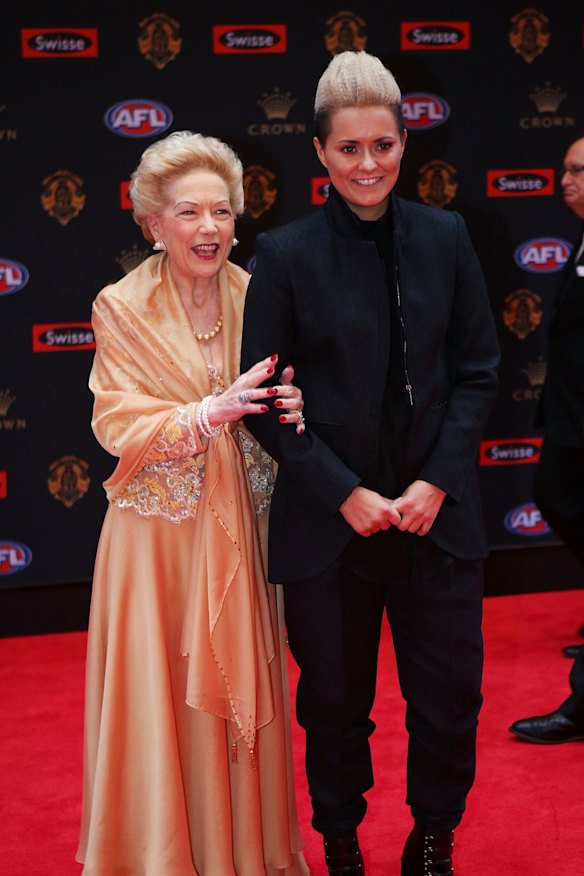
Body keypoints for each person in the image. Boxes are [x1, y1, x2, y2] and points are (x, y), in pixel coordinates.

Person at [240, 51, 500, 876]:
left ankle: (432, 842)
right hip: (332, 529)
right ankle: (342, 845)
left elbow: (479, 372)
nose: (368, 165)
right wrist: (342, 491)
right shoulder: (283, 256)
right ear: (320, 151)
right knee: (335, 707)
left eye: (383, 146)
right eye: (349, 149)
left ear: (404, 143)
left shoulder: (447, 237)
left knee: (449, 704)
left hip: (436, 520)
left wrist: (435, 483)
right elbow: (262, 401)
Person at [76, 130, 310, 875]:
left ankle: (248, 856)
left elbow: (289, 402)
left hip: (244, 533)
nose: (208, 229)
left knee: (242, 694)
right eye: (188, 213)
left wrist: (298, 405)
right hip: (157, 547)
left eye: (222, 212)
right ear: (152, 222)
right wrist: (206, 415)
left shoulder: (261, 293)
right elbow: (115, 422)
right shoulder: (119, 306)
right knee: (160, 704)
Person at [509, 136, 584, 746]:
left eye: (578, 171)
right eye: (563, 169)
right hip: (568, 419)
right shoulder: (579, 239)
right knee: (554, 496)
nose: (566, 180)